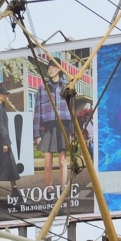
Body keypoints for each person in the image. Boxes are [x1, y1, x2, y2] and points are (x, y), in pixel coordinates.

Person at [33, 58, 73, 188]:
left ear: (59, 69)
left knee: (62, 161)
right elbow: (37, 112)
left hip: (63, 127)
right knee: (47, 163)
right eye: (49, 68)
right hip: (48, 129)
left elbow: (72, 111)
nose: (50, 70)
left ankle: (63, 188)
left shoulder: (67, 87)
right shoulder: (42, 89)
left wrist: (71, 131)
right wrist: (37, 134)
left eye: (53, 67)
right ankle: (48, 190)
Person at [0, 83, 19, 195]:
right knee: (5, 168)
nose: (5, 97)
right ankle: (15, 190)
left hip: (4, 142)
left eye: (5, 95)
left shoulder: (0, 107)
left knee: (7, 167)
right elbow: (1, 127)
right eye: (3, 95)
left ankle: (15, 190)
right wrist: (5, 143)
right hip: (4, 143)